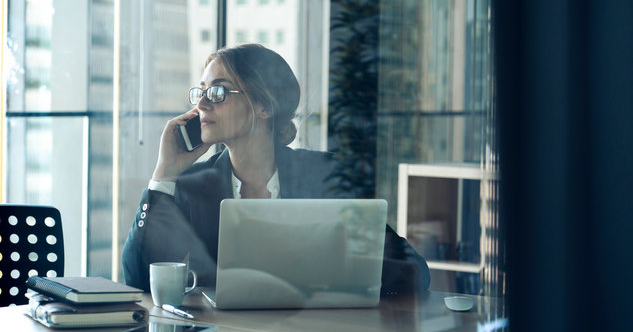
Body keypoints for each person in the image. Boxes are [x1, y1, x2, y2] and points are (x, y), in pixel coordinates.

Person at [122, 43, 430, 296]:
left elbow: (414, 273)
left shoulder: (322, 174)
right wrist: (164, 174)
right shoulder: (189, 185)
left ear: (264, 106)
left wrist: (339, 258)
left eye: (217, 92)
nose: (201, 104)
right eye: (200, 91)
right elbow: (135, 278)